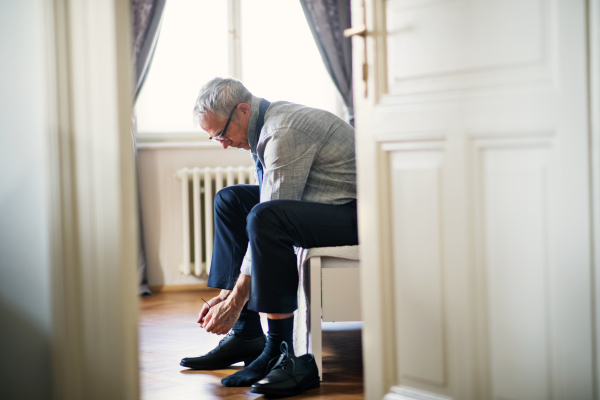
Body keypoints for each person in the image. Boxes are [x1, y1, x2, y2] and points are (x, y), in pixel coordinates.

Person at [180, 77, 358, 397]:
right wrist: (227, 295)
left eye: (221, 133)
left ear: (243, 110)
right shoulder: (265, 125)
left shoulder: (283, 132)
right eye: (213, 138)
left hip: (355, 213)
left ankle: (282, 351)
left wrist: (236, 299)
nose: (221, 143)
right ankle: (246, 333)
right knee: (231, 200)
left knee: (267, 218)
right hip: (321, 201)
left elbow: (269, 211)